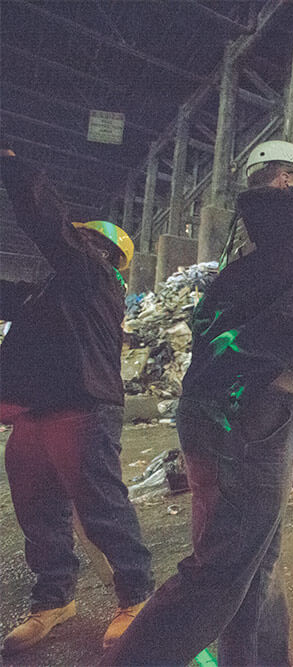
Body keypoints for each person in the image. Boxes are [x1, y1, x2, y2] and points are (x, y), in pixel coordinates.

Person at [102, 140, 293, 666]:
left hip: (245, 412)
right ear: (287, 181)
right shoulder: (278, 208)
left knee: (256, 562)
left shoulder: (271, 238)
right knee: (222, 570)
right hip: (246, 416)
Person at [0, 149, 154, 655]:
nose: (76, 240)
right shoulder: (54, 289)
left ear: (103, 251)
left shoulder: (94, 278)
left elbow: (48, 225)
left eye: (86, 237)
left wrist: (17, 169)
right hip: (35, 412)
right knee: (38, 509)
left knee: (102, 505)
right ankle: (54, 598)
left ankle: (136, 596)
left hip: (83, 406)